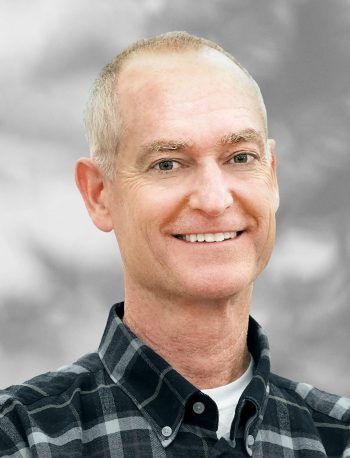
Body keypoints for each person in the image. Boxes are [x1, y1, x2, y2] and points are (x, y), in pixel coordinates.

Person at [0, 31, 349, 458]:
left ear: (272, 175)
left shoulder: (339, 438)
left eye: (240, 157)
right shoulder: (22, 438)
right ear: (98, 194)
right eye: (167, 163)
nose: (214, 199)